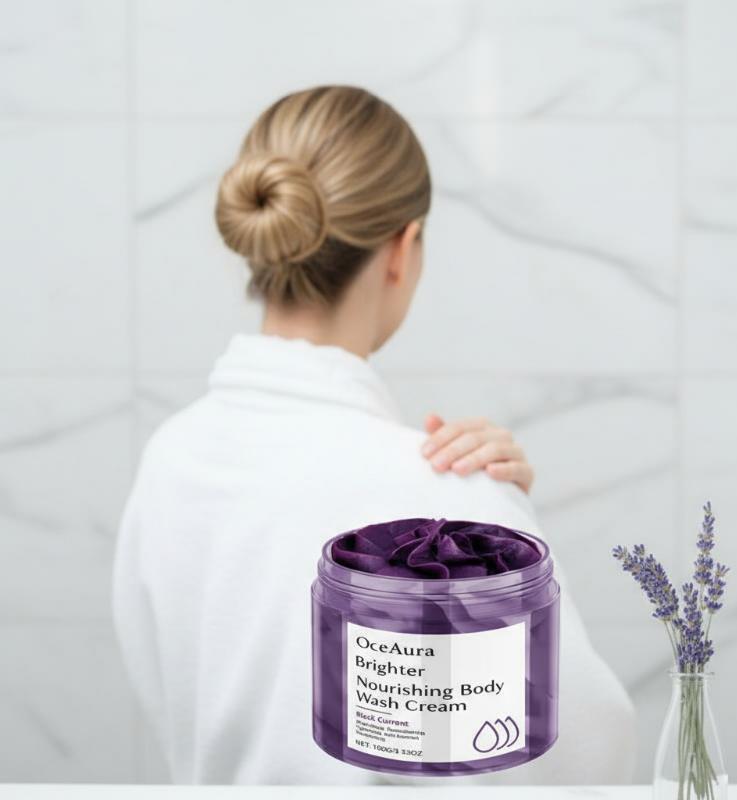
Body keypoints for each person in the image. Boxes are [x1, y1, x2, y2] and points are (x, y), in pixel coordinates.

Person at [112, 84, 635, 786]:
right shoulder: (444, 502)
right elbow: (579, 759)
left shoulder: (171, 458)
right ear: (402, 249)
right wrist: (502, 532)